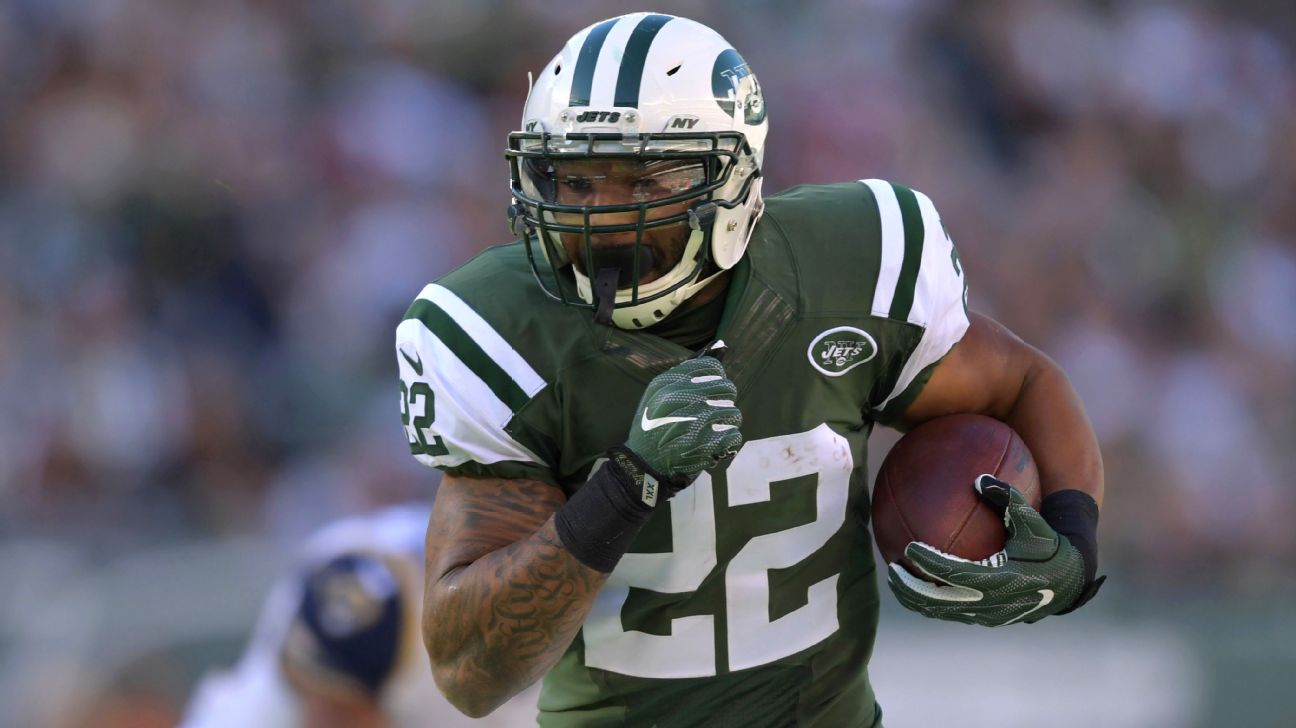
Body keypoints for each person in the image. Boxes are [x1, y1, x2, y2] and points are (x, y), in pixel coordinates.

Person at [396, 12, 1105, 727]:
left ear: (733, 178)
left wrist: (1073, 541)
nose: (601, 216)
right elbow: (471, 674)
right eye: (575, 180)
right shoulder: (502, 332)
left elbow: (1023, 384)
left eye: (641, 181)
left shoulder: (845, 268)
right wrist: (627, 485)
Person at [180, 504, 538, 728]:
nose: (317, 719)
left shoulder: (480, 668)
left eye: (340, 711)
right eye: (307, 689)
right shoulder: (323, 569)